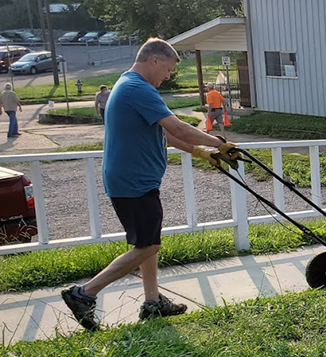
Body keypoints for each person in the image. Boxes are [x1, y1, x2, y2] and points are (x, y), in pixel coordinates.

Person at [61, 38, 240, 331]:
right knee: (148, 245)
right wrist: (219, 143)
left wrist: (200, 152)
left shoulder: (128, 85)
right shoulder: (138, 89)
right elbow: (177, 127)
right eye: (168, 69)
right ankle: (84, 293)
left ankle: (152, 302)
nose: (168, 76)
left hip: (131, 179)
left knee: (147, 243)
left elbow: (165, 135)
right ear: (154, 60)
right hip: (134, 181)